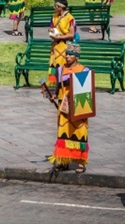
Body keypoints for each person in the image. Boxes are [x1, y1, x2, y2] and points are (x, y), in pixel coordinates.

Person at [44, 42, 90, 174]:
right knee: (64, 134)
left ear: (76, 56)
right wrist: (54, 95)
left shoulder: (84, 70)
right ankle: (64, 162)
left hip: (78, 106)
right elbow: (58, 87)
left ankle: (81, 163)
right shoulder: (60, 69)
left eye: (70, 54)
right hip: (64, 107)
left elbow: (87, 90)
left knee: (80, 134)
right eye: (66, 54)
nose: (67, 57)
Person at [47, 0, 77, 87]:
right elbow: (52, 28)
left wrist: (60, 37)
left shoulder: (70, 18)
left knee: (64, 66)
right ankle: (55, 88)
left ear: (61, 7)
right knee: (54, 66)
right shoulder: (54, 16)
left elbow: (72, 35)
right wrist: (51, 31)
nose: (54, 8)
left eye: (56, 6)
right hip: (55, 46)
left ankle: (64, 87)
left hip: (66, 46)